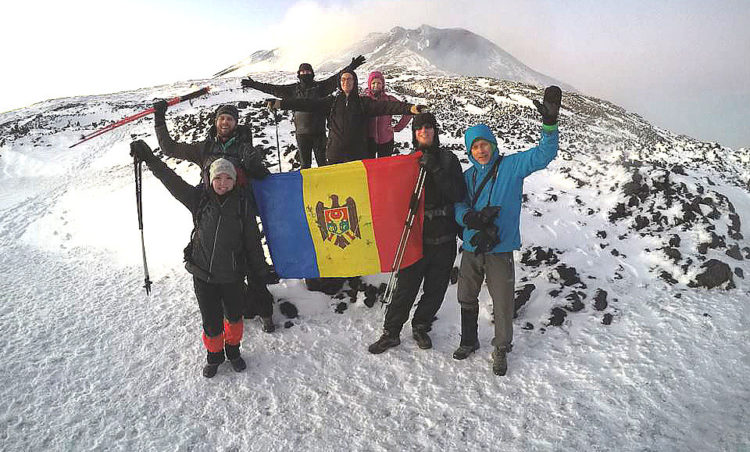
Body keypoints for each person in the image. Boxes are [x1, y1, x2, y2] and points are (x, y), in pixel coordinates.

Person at [130, 141, 268, 378]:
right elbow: (171, 181)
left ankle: (233, 352)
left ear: (235, 181)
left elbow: (253, 242)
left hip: (233, 276)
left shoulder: (243, 205)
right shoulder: (199, 199)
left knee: (234, 319)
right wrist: (150, 159)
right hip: (203, 275)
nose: (222, 183)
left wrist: (261, 270)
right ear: (209, 179)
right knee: (212, 323)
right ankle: (214, 357)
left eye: (228, 179)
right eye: (218, 178)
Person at [453, 86, 562, 376]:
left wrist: (549, 125)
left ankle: (501, 349)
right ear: (469, 151)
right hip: (473, 245)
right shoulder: (468, 176)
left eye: (484, 144)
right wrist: (470, 220)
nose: (480, 150)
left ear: (492, 144)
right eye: (474, 147)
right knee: (466, 295)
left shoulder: (511, 166)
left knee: (502, 302)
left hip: (500, 248)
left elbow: (543, 155)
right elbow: (457, 205)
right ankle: (468, 341)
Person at [151, 102, 277, 333]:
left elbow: (262, 174)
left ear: (236, 123)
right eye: (222, 118)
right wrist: (159, 119)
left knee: (250, 262)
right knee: (218, 262)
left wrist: (254, 162)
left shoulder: (244, 146)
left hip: (240, 212)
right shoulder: (204, 148)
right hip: (210, 211)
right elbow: (169, 148)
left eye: (230, 119)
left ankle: (265, 311)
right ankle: (227, 307)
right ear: (216, 122)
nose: (226, 122)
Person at [368, 113, 465, 354]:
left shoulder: (449, 159)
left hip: (444, 238)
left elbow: (458, 193)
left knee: (435, 289)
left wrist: (436, 170)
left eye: (428, 127)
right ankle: (391, 332)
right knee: (406, 288)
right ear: (414, 133)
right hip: (415, 237)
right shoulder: (408, 162)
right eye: (419, 128)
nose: (424, 131)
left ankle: (421, 325)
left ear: (435, 130)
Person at [269, 68, 427, 164]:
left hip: (358, 156)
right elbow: (306, 103)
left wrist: (410, 108)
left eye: (350, 79)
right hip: (334, 155)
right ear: (340, 82)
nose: (346, 82)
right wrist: (280, 104)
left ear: (355, 81)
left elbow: (386, 106)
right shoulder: (331, 102)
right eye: (343, 79)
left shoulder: (363, 102)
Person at [241, 56, 366, 169]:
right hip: (302, 134)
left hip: (319, 133)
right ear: (298, 74)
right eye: (302, 72)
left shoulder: (321, 87)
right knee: (305, 165)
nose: (305, 74)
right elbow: (271, 88)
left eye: (307, 71)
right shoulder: (292, 90)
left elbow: (336, 79)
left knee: (323, 164)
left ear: (312, 73)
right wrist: (253, 84)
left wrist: (351, 67)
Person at [362, 71, 412, 158]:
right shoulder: (364, 100)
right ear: (369, 84)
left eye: (379, 83)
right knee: (370, 167)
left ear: (383, 85)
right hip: (369, 141)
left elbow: (408, 112)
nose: (376, 85)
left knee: (385, 167)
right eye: (373, 83)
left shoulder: (389, 100)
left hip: (386, 141)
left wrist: (397, 128)